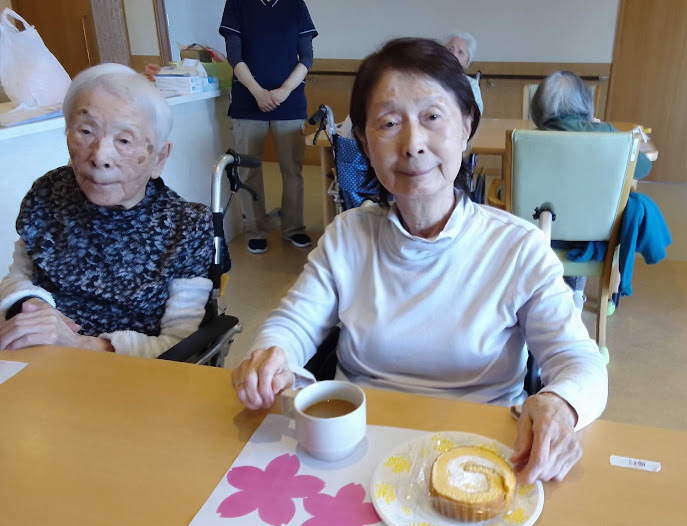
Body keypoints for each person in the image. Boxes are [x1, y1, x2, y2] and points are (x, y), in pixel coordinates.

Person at [231, 38, 608, 484]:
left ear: (466, 126)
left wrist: (560, 403)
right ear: (364, 142)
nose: (412, 144)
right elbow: (293, 324)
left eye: (432, 117)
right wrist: (272, 357)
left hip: (482, 456)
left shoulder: (517, 247)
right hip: (359, 451)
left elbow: (579, 360)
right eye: (389, 123)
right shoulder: (348, 235)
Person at [0, 64, 214, 358]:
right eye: (86, 131)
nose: (100, 156)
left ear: (158, 157)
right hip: (41, 358)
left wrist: (81, 344)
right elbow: (18, 276)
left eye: (124, 140)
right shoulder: (48, 194)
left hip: (131, 374)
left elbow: (179, 344)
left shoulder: (186, 227)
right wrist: (32, 305)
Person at [529, 70, 665, 311]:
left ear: (538, 109)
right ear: (586, 106)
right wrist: (602, 130)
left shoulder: (528, 140)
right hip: (593, 234)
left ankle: (548, 294)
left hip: (540, 232)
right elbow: (642, 167)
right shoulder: (607, 135)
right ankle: (576, 293)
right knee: (584, 212)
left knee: (563, 207)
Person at [219, 0, 318, 253]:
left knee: (292, 171)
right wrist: (258, 92)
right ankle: (255, 230)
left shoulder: (296, 5)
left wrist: (284, 90)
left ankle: (293, 228)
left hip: (290, 102)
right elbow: (234, 55)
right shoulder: (237, 4)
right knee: (247, 171)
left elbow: (306, 57)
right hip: (247, 102)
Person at [444, 32, 483, 114]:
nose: (453, 54)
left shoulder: (472, 84)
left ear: (467, 61)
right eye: (450, 49)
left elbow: (476, 114)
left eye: (460, 52)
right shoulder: (431, 79)